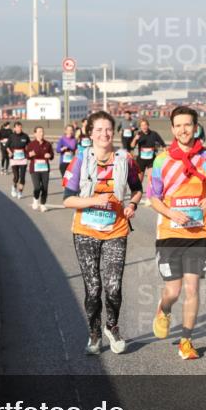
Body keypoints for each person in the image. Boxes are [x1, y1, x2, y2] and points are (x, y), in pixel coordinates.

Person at [63, 111, 143, 355]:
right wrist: (93, 200)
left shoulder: (125, 158)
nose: (104, 134)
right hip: (85, 230)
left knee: (114, 286)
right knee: (94, 287)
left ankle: (112, 326)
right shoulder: (80, 160)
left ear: (114, 132)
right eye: (98, 129)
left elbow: (137, 189)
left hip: (116, 230)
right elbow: (68, 200)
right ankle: (95, 334)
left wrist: (132, 205)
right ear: (90, 133)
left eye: (108, 129)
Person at [146, 106, 206, 360]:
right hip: (169, 233)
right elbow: (153, 199)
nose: (183, 130)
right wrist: (170, 213)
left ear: (196, 126)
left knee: (192, 289)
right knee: (173, 292)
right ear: (172, 129)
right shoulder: (162, 160)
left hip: (197, 233)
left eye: (187, 124)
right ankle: (163, 310)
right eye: (178, 125)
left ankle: (186, 340)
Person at [130, 118, 165, 204]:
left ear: (148, 125)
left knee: (151, 179)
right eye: (142, 125)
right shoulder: (138, 134)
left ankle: (149, 198)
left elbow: (163, 144)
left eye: (145, 125)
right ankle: (135, 197)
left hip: (151, 160)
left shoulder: (154, 134)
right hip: (141, 161)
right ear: (140, 127)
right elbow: (132, 146)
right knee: (139, 180)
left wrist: (165, 154)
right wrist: (135, 139)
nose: (144, 127)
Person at [27, 126, 55, 212]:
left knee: (45, 188)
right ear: (35, 134)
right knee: (37, 187)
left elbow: (52, 155)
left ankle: (43, 204)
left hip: (44, 168)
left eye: (42, 132)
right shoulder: (31, 144)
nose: (41, 133)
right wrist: (30, 155)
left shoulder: (48, 144)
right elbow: (27, 155)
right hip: (34, 169)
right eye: (39, 132)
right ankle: (35, 199)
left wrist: (49, 156)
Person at [7, 121, 31, 198]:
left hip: (23, 158)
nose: (19, 128)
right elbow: (7, 146)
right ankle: (14, 187)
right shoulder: (11, 136)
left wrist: (29, 152)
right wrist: (10, 152)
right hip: (14, 158)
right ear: (14, 128)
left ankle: (20, 192)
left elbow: (29, 146)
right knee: (16, 176)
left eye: (20, 127)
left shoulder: (25, 136)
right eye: (17, 127)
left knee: (23, 176)